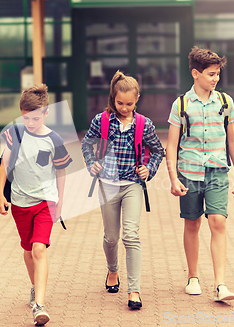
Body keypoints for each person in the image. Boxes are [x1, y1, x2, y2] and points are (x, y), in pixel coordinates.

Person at [166, 46, 234, 301]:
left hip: (218, 170)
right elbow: (172, 145)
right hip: (188, 172)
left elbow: (232, 141)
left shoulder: (225, 102)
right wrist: (173, 178)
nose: (215, 79)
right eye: (211, 74)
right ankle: (193, 277)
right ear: (195, 73)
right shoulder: (181, 104)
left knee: (218, 221)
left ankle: (220, 284)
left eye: (217, 74)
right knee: (192, 223)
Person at [81, 71, 164, 309]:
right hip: (107, 185)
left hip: (132, 186)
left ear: (137, 99)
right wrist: (91, 163)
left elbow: (158, 151)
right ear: (112, 98)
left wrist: (149, 168)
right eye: (119, 103)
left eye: (129, 103)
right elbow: (87, 143)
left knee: (131, 235)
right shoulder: (102, 120)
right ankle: (112, 270)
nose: (124, 108)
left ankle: (134, 290)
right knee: (111, 237)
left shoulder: (144, 124)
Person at [0, 84, 72, 325]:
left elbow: (61, 172)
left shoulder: (54, 139)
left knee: (39, 249)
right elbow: (5, 165)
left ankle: (39, 305)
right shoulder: (14, 133)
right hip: (19, 202)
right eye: (26, 117)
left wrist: (59, 202)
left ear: (46, 113)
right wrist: (0, 194)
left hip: (45, 202)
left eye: (36, 118)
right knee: (28, 250)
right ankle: (34, 286)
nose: (30, 122)